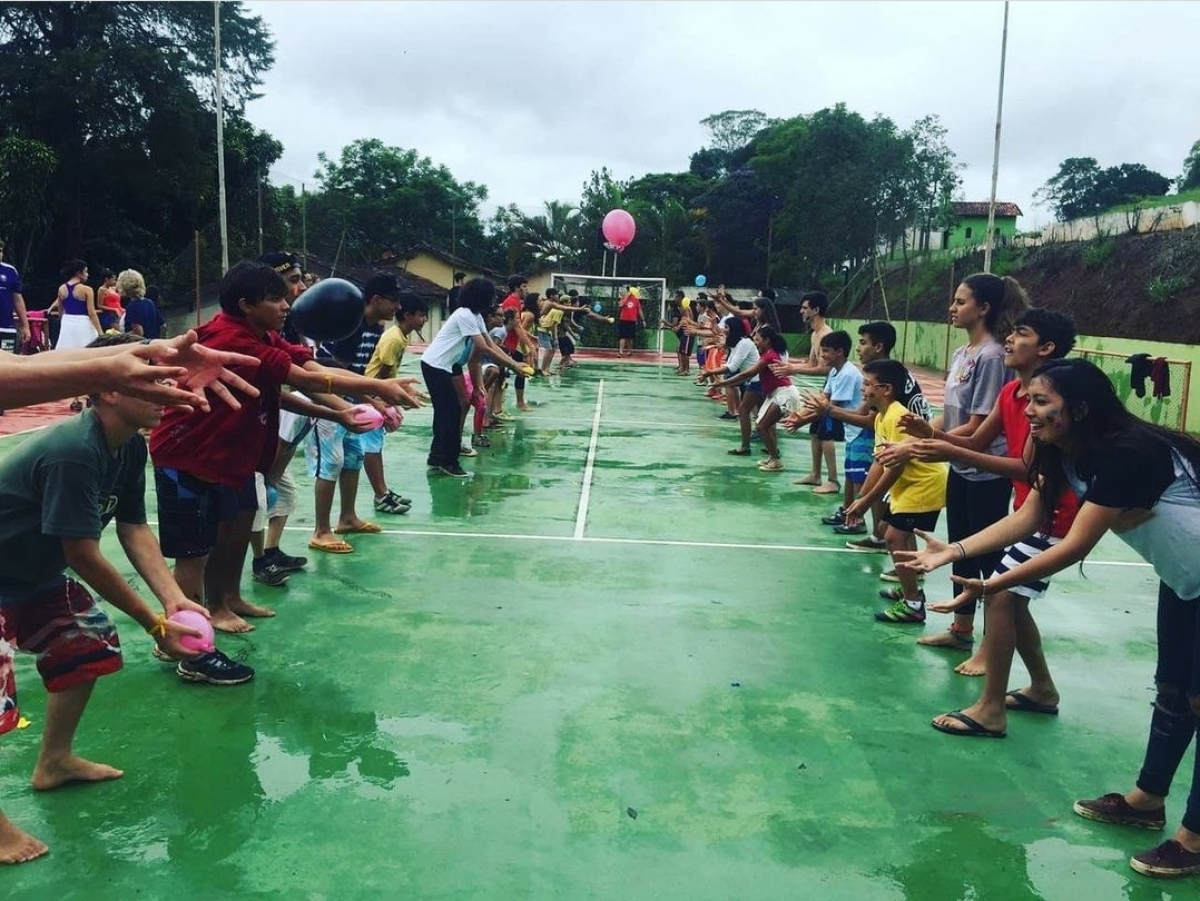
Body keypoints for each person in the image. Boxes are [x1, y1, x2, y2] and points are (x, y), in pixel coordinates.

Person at [898, 357, 1200, 880]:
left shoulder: (1128, 453)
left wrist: (993, 584)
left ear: (1080, 409)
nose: (1029, 411)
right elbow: (1030, 517)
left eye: (1041, 402)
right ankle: (1146, 801)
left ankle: (1193, 839)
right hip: (1185, 582)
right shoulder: (1064, 451)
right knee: (1173, 690)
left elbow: (1076, 544)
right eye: (1028, 401)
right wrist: (955, 551)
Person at [0, 333, 223, 866]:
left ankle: (54, 762)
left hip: (31, 576)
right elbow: (82, 552)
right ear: (107, 389)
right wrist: (152, 625)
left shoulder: (128, 445)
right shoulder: (74, 451)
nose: (167, 388)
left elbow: (133, 527)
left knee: (85, 647)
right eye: (150, 377)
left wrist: (174, 602)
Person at [148, 261, 419, 633]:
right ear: (246, 304)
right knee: (195, 551)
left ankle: (227, 598)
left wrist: (343, 411)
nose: (286, 305)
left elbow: (293, 377)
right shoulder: (232, 339)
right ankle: (184, 630)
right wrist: (377, 389)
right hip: (188, 456)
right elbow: (304, 378)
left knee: (238, 529)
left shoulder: (263, 335)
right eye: (275, 298)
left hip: (230, 455)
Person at [894, 308, 1077, 735]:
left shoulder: (1050, 406)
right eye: (1010, 332)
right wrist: (930, 435)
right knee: (1012, 601)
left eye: (1021, 334)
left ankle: (991, 709)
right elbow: (978, 440)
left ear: (1046, 349)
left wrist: (948, 452)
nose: (1009, 340)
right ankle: (1043, 690)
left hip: (1062, 518)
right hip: (1036, 512)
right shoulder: (1013, 392)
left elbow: (1027, 470)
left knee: (1001, 596)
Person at [898, 273, 1026, 675]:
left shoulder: (990, 356)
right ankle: (960, 628)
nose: (952, 308)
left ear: (984, 308)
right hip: (960, 464)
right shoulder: (962, 353)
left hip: (986, 471)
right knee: (958, 548)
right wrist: (924, 430)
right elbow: (951, 416)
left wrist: (928, 443)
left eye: (960, 301)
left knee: (987, 558)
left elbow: (979, 426)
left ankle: (992, 645)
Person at [842, 359, 948, 624]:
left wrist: (867, 501)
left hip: (922, 485)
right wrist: (861, 498)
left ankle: (913, 604)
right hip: (908, 486)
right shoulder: (881, 416)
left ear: (886, 389)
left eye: (868, 384)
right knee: (900, 537)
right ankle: (908, 586)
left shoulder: (898, 417)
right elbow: (880, 461)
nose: (863, 389)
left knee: (894, 537)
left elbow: (895, 467)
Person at [421, 277, 532, 477]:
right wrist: (514, 365)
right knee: (451, 412)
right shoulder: (465, 315)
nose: (493, 301)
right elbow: (482, 347)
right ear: (481, 297)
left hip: (446, 366)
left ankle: (437, 456)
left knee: (446, 412)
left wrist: (514, 364)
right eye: (490, 297)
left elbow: (490, 346)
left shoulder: (476, 316)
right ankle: (448, 461)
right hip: (435, 365)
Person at [363, 291, 430, 508]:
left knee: (376, 445)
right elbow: (382, 374)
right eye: (421, 315)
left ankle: (382, 491)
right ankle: (381, 496)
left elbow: (390, 376)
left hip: (374, 394)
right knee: (371, 448)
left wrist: (407, 390)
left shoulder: (402, 336)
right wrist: (386, 401)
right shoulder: (393, 339)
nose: (424, 320)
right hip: (369, 396)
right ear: (408, 315)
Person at [782, 330, 864, 499]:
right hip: (837, 412)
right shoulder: (834, 371)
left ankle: (833, 481)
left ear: (839, 352)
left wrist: (800, 421)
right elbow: (823, 399)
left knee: (825, 433)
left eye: (826, 350)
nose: (822, 355)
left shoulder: (847, 374)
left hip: (852, 419)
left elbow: (830, 408)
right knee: (815, 429)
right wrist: (798, 415)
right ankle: (815, 474)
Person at [711, 326, 801, 471]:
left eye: (758, 340)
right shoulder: (768, 355)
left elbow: (745, 374)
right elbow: (746, 377)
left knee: (762, 426)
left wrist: (722, 383)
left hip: (784, 394)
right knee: (762, 425)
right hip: (776, 394)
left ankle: (776, 461)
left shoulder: (769, 356)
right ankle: (773, 457)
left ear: (767, 340)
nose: (756, 343)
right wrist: (726, 382)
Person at [0, 239, 30, 352]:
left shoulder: (10, 271)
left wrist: (25, 326)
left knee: (6, 365)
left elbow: (18, 300)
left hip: (6, 327)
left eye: (1, 251)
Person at [616, 285, 644, 357]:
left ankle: (629, 351)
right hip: (623, 320)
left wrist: (643, 320)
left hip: (632, 320)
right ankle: (621, 352)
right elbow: (621, 305)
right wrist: (627, 297)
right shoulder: (623, 299)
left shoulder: (636, 300)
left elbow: (640, 310)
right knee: (622, 336)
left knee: (630, 337)